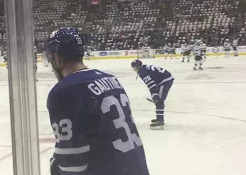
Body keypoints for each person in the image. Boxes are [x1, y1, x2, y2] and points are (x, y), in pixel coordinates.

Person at [45, 27, 150, 175]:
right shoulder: (112, 80)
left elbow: (72, 164)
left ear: (57, 58)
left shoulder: (64, 91)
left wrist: (56, 167)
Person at [131, 59, 174, 130]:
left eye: (135, 68)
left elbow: (151, 85)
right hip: (165, 79)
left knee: (159, 100)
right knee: (159, 99)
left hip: (165, 80)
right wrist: (154, 95)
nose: (134, 70)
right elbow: (152, 84)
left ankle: (160, 121)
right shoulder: (144, 68)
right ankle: (159, 118)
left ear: (138, 66)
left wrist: (155, 96)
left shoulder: (142, 72)